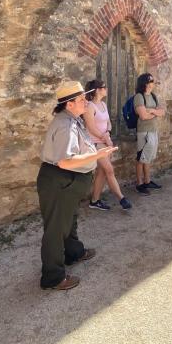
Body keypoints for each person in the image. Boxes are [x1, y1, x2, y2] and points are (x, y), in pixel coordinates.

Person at [37, 82, 117, 290]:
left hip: (67, 181)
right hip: (59, 179)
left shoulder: (73, 119)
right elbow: (65, 161)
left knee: (69, 219)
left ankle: (73, 253)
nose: (85, 102)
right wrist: (98, 155)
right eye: (81, 99)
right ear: (69, 104)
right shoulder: (65, 125)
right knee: (55, 229)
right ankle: (53, 277)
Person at [82, 80, 132, 211]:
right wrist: (104, 137)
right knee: (109, 170)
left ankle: (94, 201)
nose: (106, 89)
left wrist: (108, 133)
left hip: (104, 142)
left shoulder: (103, 104)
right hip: (95, 143)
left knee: (102, 172)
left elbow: (108, 123)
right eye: (104, 87)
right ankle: (122, 198)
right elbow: (91, 128)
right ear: (97, 90)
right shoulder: (89, 106)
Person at [133, 73, 165, 195]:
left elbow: (162, 112)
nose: (153, 83)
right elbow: (143, 116)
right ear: (145, 83)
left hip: (153, 130)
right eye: (151, 81)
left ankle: (147, 181)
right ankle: (139, 184)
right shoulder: (139, 97)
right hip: (144, 132)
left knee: (148, 158)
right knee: (141, 158)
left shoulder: (153, 96)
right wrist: (155, 112)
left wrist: (152, 111)